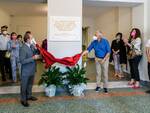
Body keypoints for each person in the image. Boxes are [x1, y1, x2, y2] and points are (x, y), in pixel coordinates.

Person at [20, 33, 40, 107]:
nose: (33, 39)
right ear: (28, 39)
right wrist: (33, 58)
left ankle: (29, 96)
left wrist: (36, 47)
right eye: (32, 38)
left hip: (32, 70)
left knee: (30, 85)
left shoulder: (31, 46)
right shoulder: (23, 48)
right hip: (25, 71)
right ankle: (23, 100)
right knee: (24, 86)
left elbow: (36, 53)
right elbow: (22, 61)